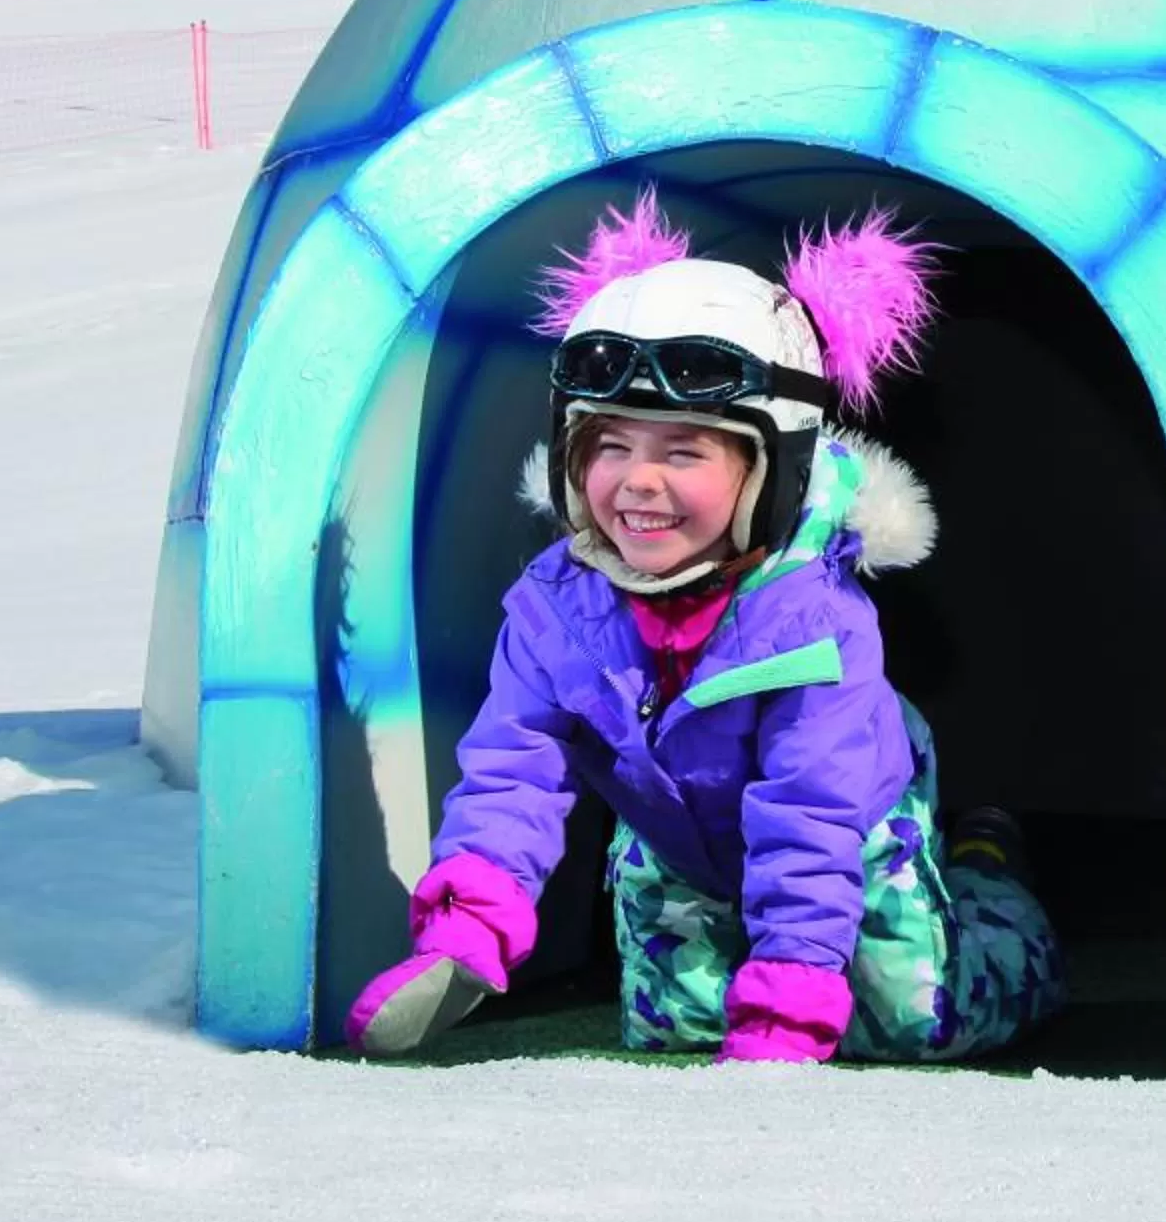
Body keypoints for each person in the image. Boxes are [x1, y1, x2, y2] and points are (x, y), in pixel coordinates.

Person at [348, 191, 1066, 1065]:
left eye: (684, 452)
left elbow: (809, 815)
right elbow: (513, 771)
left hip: (854, 833)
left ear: (774, 471)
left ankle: (988, 873)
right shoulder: (557, 608)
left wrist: (793, 997)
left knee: (919, 1026)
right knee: (675, 1034)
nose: (637, 483)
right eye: (610, 446)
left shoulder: (814, 625)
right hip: (675, 847)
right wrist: (469, 930)